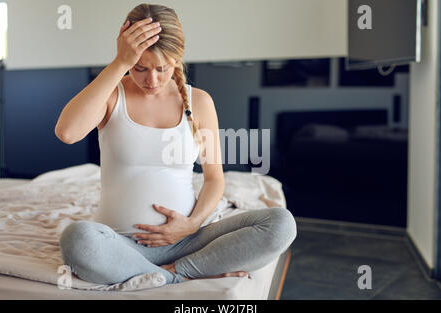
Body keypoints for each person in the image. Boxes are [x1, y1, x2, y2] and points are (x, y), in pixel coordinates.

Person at [56, 3, 297, 286]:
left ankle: (166, 272)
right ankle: (181, 274)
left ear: (177, 58)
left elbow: (213, 179)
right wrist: (119, 63)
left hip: (188, 240)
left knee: (281, 224)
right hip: (119, 244)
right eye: (139, 67)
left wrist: (191, 224)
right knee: (77, 238)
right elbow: (67, 133)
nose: (152, 80)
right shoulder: (111, 95)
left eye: (162, 68)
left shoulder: (200, 102)